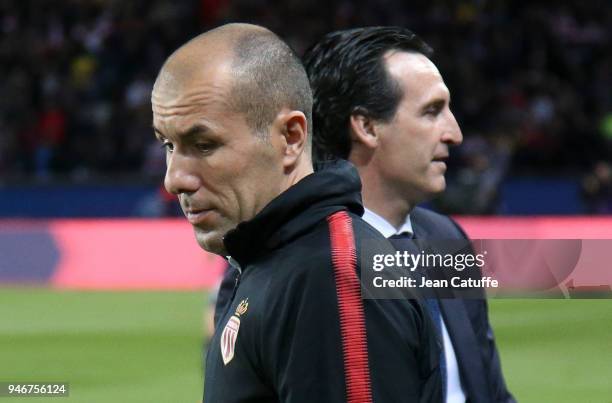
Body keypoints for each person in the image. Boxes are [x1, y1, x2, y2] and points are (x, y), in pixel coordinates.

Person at [151, 23, 441, 403]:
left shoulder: (328, 276)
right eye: (168, 145)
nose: (174, 180)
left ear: (290, 137)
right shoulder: (271, 260)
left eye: (203, 145)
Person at [303, 26, 516, 403]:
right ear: (366, 127)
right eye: (432, 112)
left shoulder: (448, 241)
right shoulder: (302, 265)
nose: (455, 133)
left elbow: (491, 394)